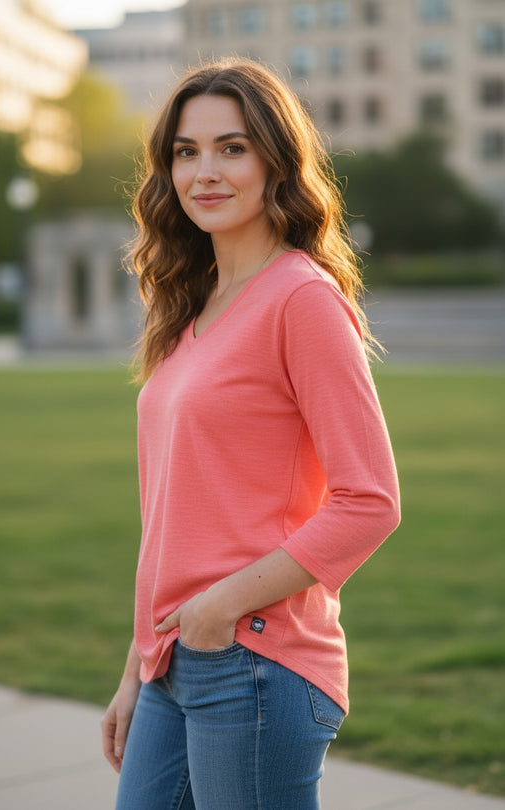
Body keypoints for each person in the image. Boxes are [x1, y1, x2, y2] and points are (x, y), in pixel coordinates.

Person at [101, 58, 400, 810]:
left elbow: (370, 501)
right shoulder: (190, 309)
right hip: (176, 656)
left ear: (276, 163)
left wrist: (219, 607)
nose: (205, 170)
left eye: (232, 148)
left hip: (255, 659)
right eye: (185, 151)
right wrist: (139, 664)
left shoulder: (301, 300)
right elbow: (174, 513)